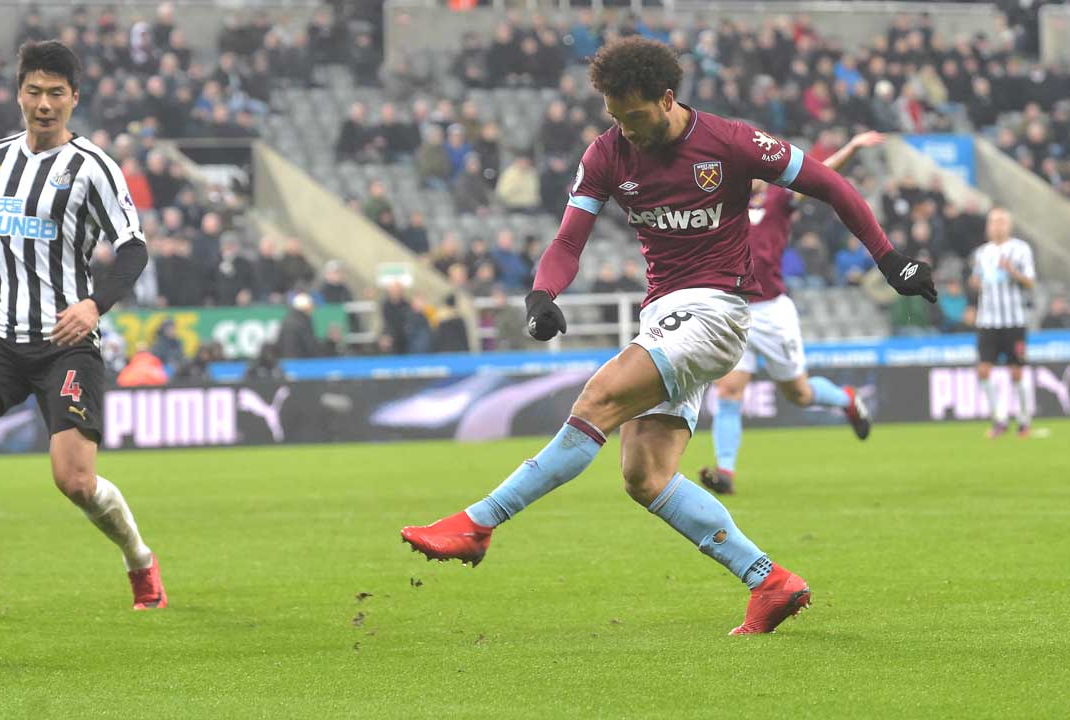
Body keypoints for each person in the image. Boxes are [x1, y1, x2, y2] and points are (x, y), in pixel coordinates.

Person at [401, 37, 935, 635]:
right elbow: (569, 240)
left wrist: (890, 261)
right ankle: (769, 580)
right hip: (664, 316)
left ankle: (479, 523)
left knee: (595, 401)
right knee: (644, 477)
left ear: (667, 98)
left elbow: (828, 184)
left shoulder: (729, 142)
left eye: (633, 116)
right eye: (613, 116)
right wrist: (542, 294)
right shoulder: (605, 155)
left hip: (717, 311)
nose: (624, 129)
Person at [0, 41, 166, 613]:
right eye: (34, 91)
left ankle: (139, 560)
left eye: (56, 93)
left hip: (68, 345)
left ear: (74, 98)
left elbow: (133, 250)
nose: (44, 103)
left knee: (76, 483)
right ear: (18, 94)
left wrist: (93, 306)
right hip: (4, 336)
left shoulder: (93, 168)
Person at [699, 131, 884, 495]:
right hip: (735, 311)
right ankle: (726, 472)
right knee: (729, 390)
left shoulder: (780, 197)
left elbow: (821, 173)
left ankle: (847, 400)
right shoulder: (723, 203)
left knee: (798, 393)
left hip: (771, 311)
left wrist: (850, 148)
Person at [968, 208, 1036, 438]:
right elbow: (977, 279)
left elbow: (1030, 283)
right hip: (987, 321)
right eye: (993, 222)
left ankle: (1024, 420)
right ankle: (999, 419)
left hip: (1013, 321)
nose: (997, 226)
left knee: (1016, 372)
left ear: (1009, 225)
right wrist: (974, 283)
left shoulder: (1020, 249)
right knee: (983, 370)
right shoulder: (982, 253)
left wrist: (1012, 272)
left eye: (1001, 222)